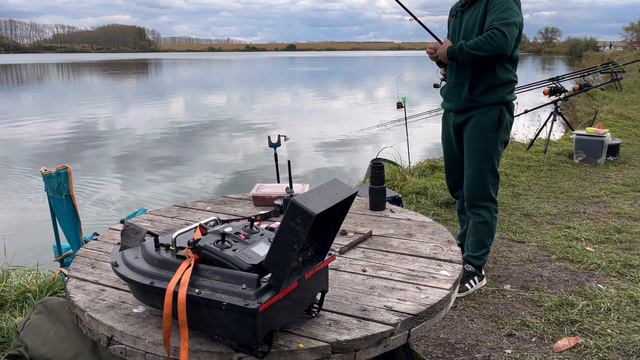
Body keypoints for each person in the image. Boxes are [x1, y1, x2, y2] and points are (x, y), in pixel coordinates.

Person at [426, 0, 523, 297]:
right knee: (458, 187)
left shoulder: (501, 2)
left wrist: (452, 51)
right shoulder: (457, 9)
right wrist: (443, 59)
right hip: (454, 106)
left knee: (479, 191)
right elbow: (462, 53)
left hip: (487, 109)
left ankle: (474, 266)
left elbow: (500, 41)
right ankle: (464, 246)